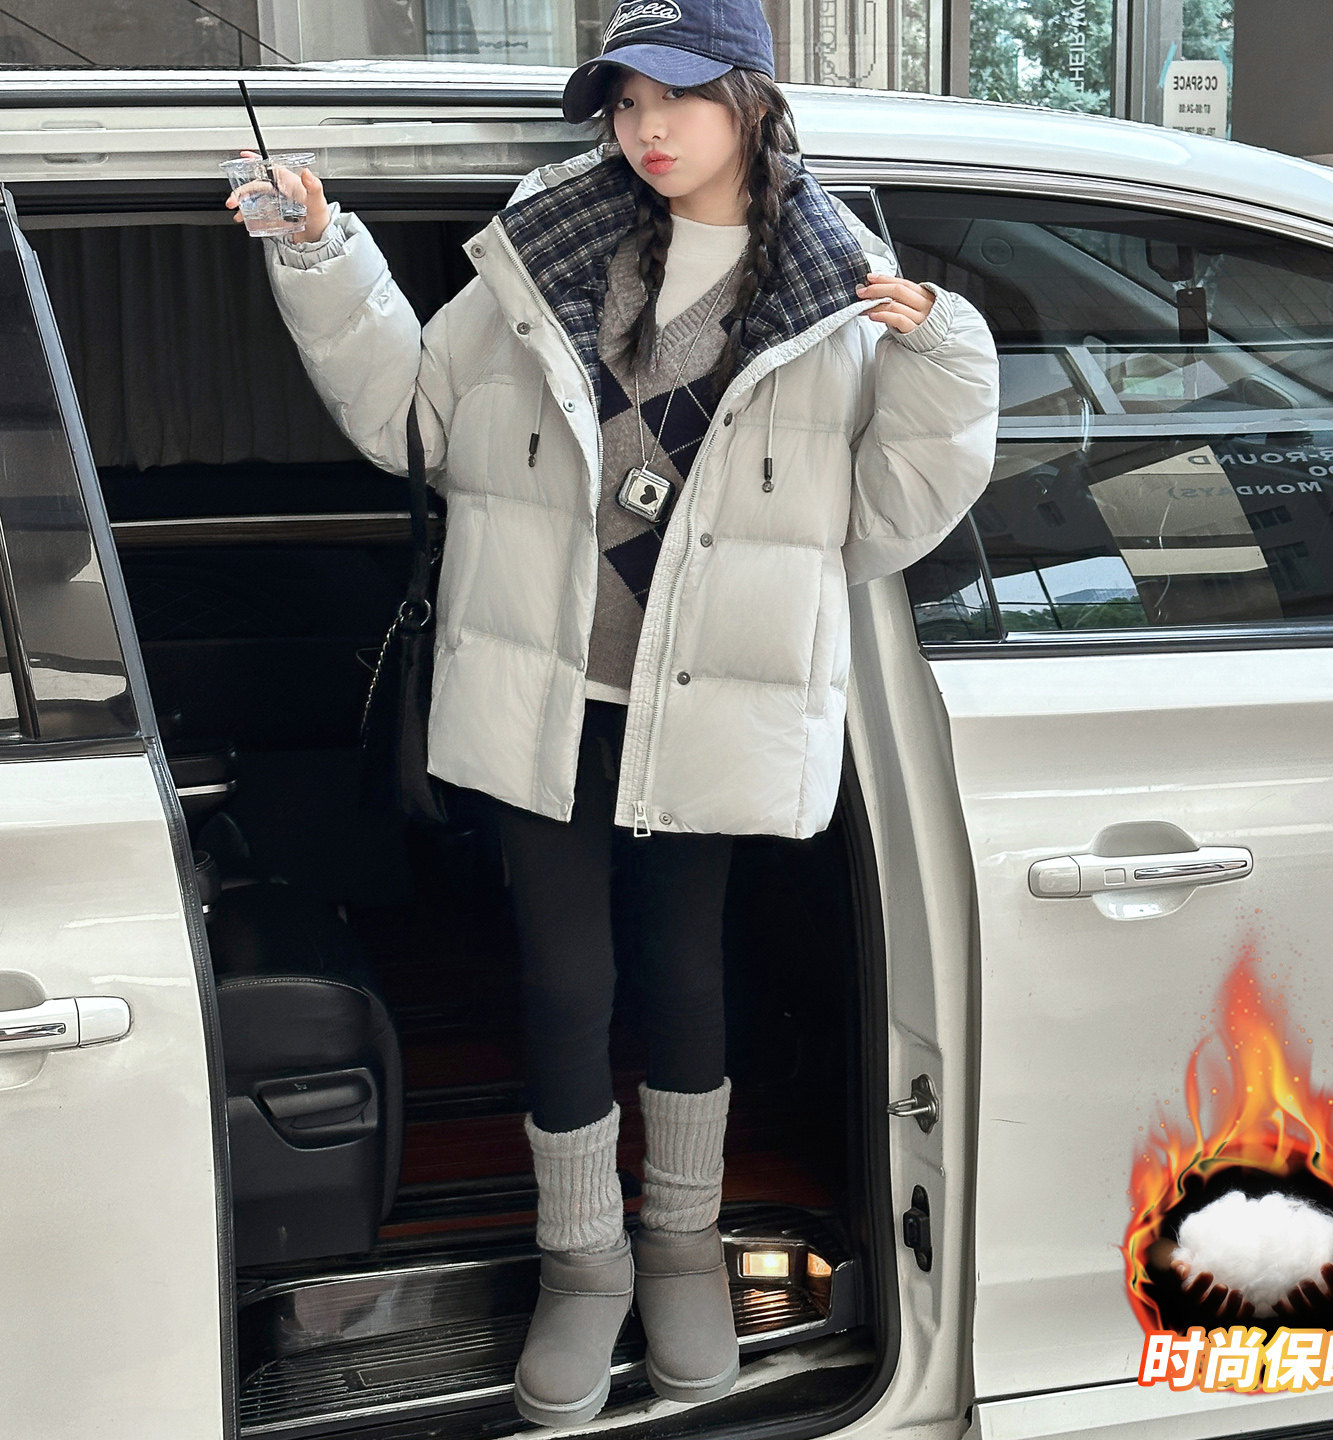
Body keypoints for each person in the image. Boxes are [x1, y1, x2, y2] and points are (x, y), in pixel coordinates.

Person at [225, 0, 999, 1424]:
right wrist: (323, 253)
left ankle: (684, 1247)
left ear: (752, 99)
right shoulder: (550, 249)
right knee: (566, 982)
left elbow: (883, 523)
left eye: (678, 97)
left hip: (700, 704)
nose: (646, 129)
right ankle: (581, 1264)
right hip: (552, 694)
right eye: (625, 101)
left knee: (687, 978)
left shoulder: (839, 287)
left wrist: (947, 364)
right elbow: (414, 419)